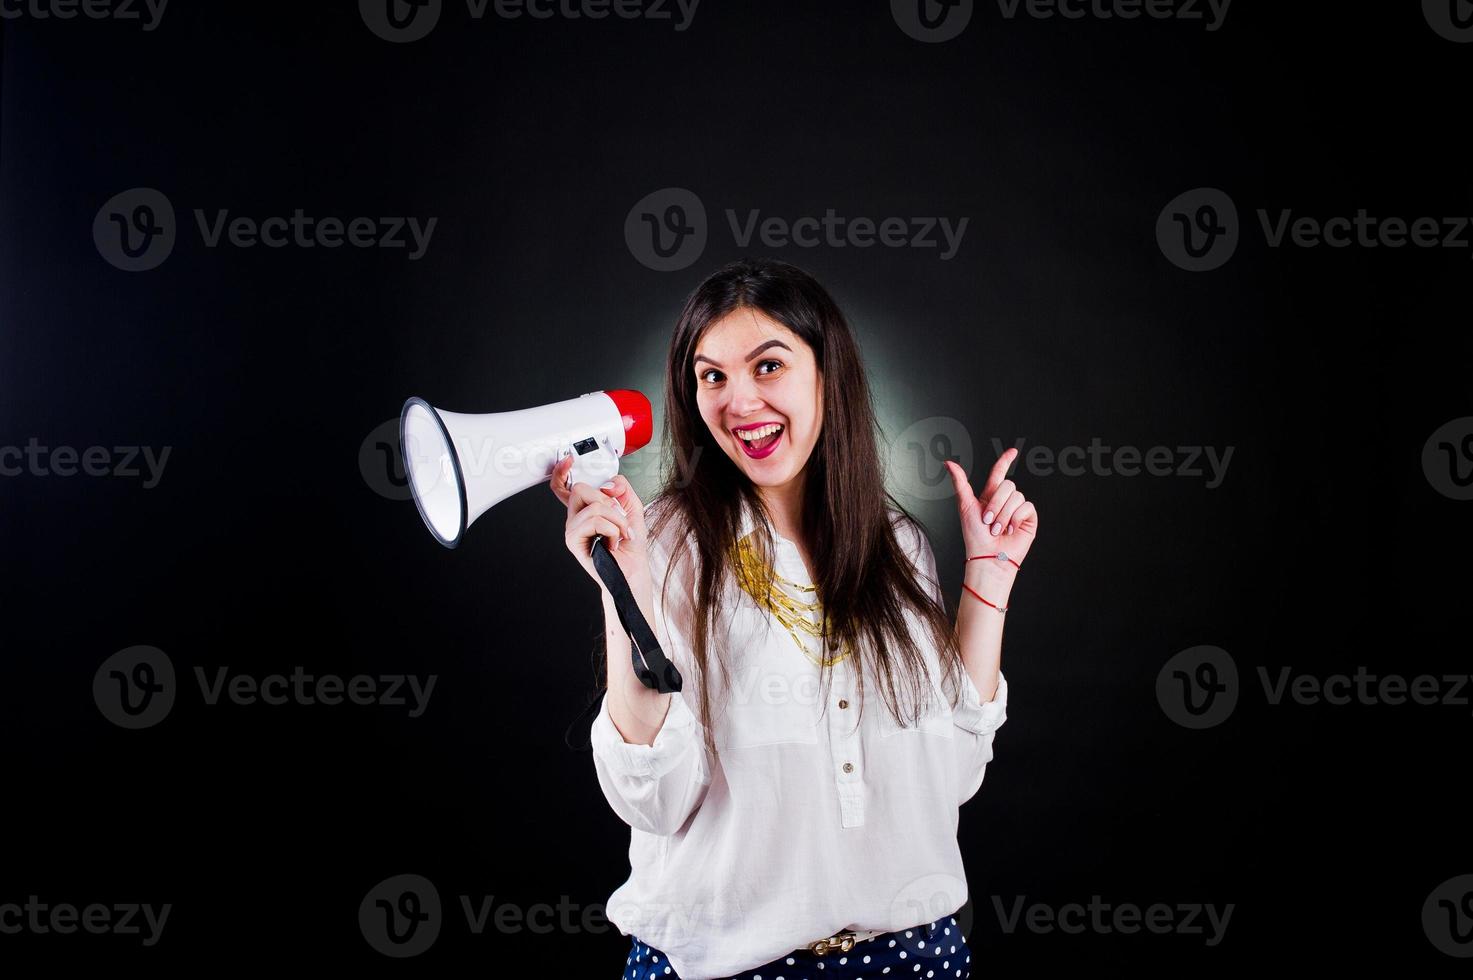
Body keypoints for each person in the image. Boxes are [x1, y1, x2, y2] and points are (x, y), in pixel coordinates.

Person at [550, 257, 1038, 980]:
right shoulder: (664, 543)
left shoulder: (895, 546)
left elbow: (953, 774)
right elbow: (650, 799)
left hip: (913, 957)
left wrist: (987, 584)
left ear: (825, 374)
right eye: (711, 375)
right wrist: (620, 589)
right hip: (721, 968)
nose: (739, 400)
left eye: (767, 365)